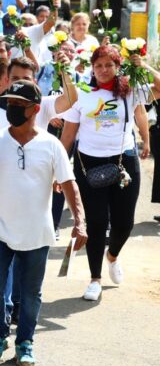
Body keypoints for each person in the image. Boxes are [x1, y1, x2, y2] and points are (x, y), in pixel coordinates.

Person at [0, 79, 87, 366]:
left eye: (19, 105)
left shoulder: (51, 145)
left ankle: (25, 341)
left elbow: (69, 184)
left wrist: (80, 221)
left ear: (35, 109)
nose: (12, 108)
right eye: (9, 103)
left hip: (37, 231)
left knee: (31, 293)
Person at [60, 46, 160, 301]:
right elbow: (68, 134)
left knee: (124, 223)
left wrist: (144, 66)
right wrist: (57, 169)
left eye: (109, 65)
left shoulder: (130, 91)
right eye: (98, 66)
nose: (103, 70)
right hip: (87, 164)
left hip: (124, 161)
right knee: (95, 223)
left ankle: (112, 255)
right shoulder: (82, 94)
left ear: (118, 67)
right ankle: (95, 279)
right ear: (92, 68)